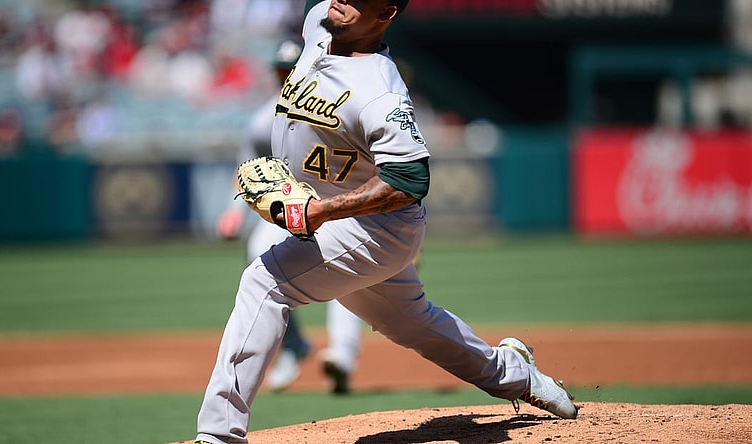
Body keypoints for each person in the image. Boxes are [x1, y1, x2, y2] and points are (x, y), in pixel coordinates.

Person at [194, 1, 578, 442]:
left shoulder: (380, 89)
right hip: (340, 216)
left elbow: (410, 179)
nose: (340, 0)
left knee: (265, 281)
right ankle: (516, 373)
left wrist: (319, 211)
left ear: (385, 12)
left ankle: (219, 434)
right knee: (414, 326)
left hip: (377, 229)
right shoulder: (322, 22)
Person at [216, 37, 363, 395]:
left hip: (340, 205)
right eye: (281, 70)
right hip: (293, 211)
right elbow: (247, 168)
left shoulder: (340, 104)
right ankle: (294, 345)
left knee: (351, 278)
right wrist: (235, 209)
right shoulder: (261, 120)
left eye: (291, 68)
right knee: (258, 259)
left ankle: (342, 354)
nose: (286, 75)